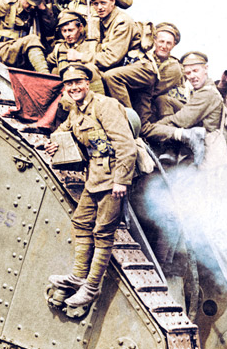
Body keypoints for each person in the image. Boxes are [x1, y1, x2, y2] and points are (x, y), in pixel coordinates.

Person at [46, 64, 137, 308]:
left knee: (103, 232)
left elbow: (126, 145)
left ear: (88, 83)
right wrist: (54, 143)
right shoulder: (76, 111)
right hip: (94, 177)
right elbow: (61, 131)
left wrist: (121, 180)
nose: (74, 87)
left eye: (78, 82)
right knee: (81, 222)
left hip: (112, 178)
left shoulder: (104, 105)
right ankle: (77, 276)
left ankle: (91, 287)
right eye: (69, 84)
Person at [142, 51, 223, 165]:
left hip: (202, 146)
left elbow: (181, 121)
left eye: (195, 71)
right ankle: (170, 147)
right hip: (194, 133)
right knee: (164, 100)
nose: (192, 76)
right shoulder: (202, 90)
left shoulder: (207, 93)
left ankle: (171, 148)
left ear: (206, 68)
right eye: (188, 73)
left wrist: (154, 128)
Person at [102, 22, 182, 122]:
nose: (164, 46)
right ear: (154, 40)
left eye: (168, 43)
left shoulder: (173, 67)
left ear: (174, 45)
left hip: (149, 106)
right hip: (129, 97)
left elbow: (151, 89)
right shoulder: (145, 56)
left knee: (143, 129)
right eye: (161, 41)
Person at [84, 0, 143, 75]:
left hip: (131, 68)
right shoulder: (100, 21)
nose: (99, 7)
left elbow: (111, 58)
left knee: (95, 72)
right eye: (95, 4)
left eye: (103, 3)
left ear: (113, 1)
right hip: (116, 66)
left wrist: (82, 57)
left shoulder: (122, 22)